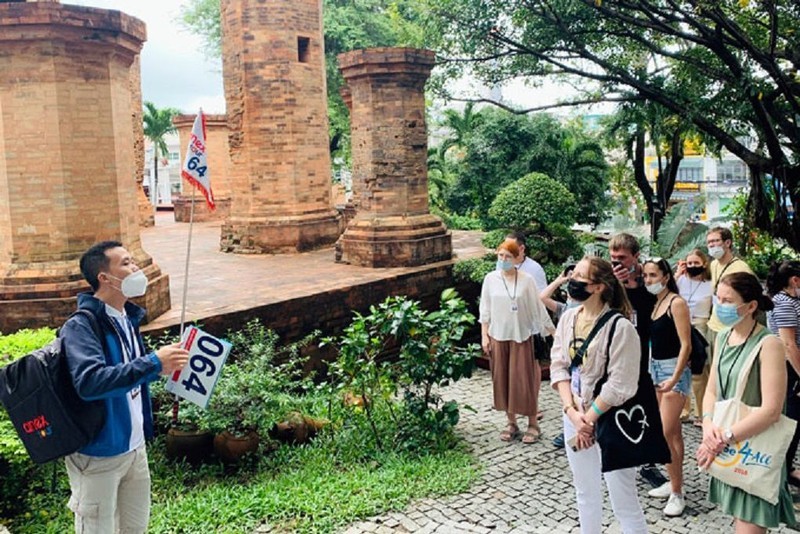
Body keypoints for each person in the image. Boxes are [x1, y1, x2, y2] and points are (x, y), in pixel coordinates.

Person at [61, 241, 189, 533]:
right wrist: (154, 363)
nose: (136, 268)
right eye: (127, 263)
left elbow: (128, 374)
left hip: (134, 449)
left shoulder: (127, 319)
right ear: (104, 277)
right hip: (98, 454)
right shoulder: (82, 325)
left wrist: (163, 366)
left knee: (135, 528)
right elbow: (91, 382)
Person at [550, 256, 648, 534]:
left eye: (579, 276)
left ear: (597, 287)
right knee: (585, 493)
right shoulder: (568, 318)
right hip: (575, 415)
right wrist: (572, 412)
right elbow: (559, 365)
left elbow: (621, 383)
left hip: (611, 420)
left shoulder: (621, 328)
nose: (571, 280)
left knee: (623, 500)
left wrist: (589, 419)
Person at [696, 271, 796, 532]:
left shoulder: (769, 344)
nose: (719, 306)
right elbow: (711, 392)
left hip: (752, 450)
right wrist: (708, 427)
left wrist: (721, 439)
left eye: (727, 301)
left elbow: (771, 411)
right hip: (729, 448)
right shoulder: (722, 337)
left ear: (751, 306)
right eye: (717, 298)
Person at [480, 240, 554, 444]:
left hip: (522, 336)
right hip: (498, 336)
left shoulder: (527, 280)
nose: (503, 260)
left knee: (525, 380)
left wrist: (552, 332)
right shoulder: (490, 279)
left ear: (517, 259)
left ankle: (533, 423)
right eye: (500, 256)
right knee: (502, 379)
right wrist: (484, 335)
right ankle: (511, 422)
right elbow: (484, 310)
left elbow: (537, 309)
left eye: (508, 257)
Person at [608, 233, 666, 488]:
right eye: (613, 258)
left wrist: (635, 285)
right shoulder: (611, 280)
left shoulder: (650, 278)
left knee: (645, 404)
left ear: (636, 256)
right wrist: (617, 285)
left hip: (647, 352)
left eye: (622, 258)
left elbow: (660, 306)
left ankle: (648, 461)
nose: (617, 263)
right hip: (617, 351)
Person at [642, 258, 692, 516]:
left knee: (663, 432)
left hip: (674, 371)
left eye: (652, 275)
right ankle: (675, 484)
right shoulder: (657, 303)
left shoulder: (676, 303)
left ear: (665, 276)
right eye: (645, 276)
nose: (648, 280)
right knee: (673, 434)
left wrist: (674, 377)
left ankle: (676, 493)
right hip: (657, 368)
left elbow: (686, 344)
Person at [504, 233, 549, 422]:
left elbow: (540, 299)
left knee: (532, 366)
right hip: (509, 326)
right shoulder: (503, 267)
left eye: (511, 249)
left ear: (521, 249)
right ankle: (512, 408)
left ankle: (533, 404)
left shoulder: (533, 270)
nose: (506, 255)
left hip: (530, 326)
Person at [766, 260, 800, 488]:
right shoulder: (783, 302)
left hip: (793, 367)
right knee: (791, 423)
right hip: (790, 369)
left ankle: (786, 470)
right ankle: (779, 477)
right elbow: (789, 345)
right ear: (794, 280)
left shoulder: (792, 300)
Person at [675, 248, 713, 424]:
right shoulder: (681, 281)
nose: (692, 266)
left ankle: (701, 411)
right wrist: (678, 273)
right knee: (681, 367)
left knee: (699, 371)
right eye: (689, 263)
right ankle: (684, 409)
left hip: (701, 326)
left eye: (695, 263)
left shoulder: (710, 284)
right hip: (680, 326)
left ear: (704, 264)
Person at [706, 227, 753, 357]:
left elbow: (748, 301)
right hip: (713, 326)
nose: (711, 245)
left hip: (732, 328)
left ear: (728, 243)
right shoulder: (714, 264)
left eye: (716, 241)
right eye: (709, 242)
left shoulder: (741, 268)